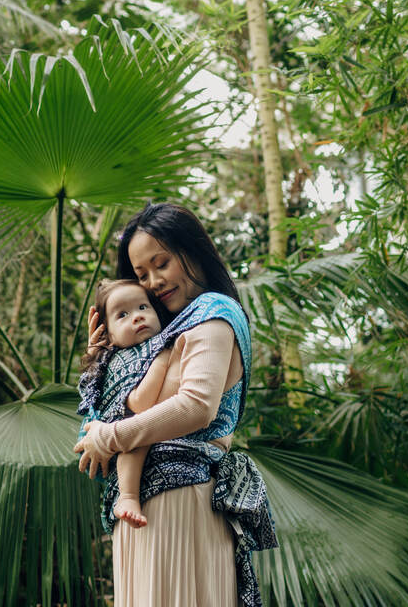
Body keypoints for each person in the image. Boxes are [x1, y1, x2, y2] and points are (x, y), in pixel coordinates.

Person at [73, 202, 277, 607]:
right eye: (141, 274)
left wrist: (110, 436)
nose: (152, 282)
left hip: (180, 501)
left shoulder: (212, 313)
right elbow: (121, 409)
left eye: (161, 263)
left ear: (193, 250)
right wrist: (102, 359)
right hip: (145, 508)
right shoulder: (166, 329)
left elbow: (196, 406)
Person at [77, 278, 175, 528]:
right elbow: (141, 403)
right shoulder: (120, 359)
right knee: (135, 436)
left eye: (143, 307)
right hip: (107, 437)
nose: (137, 317)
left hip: (115, 438)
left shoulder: (154, 344)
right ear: (109, 335)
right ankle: (128, 497)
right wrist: (163, 361)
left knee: (137, 431)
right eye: (123, 314)